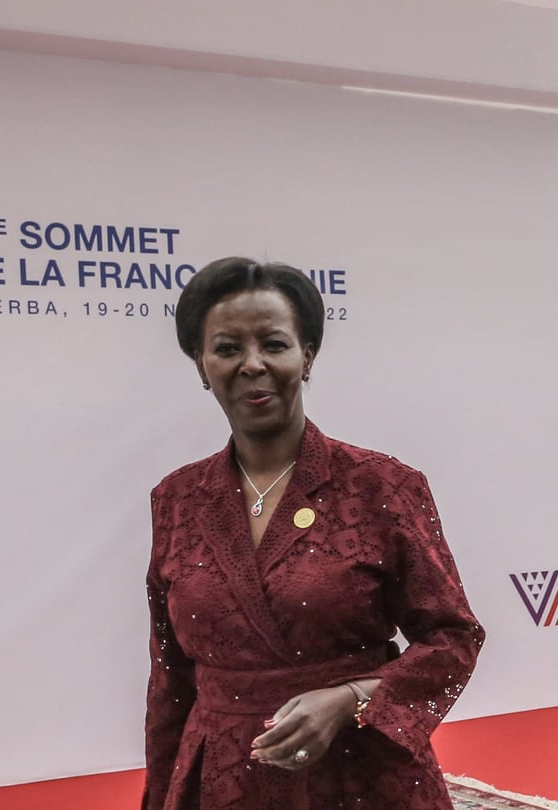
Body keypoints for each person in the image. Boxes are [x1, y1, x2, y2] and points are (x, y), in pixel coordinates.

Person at [143, 257, 484, 809]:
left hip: (359, 778)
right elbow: (169, 679)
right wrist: (161, 795)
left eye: (273, 345)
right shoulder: (177, 499)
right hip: (224, 780)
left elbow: (452, 640)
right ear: (202, 366)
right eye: (227, 349)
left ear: (307, 357)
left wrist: (351, 698)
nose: (252, 364)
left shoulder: (383, 485)